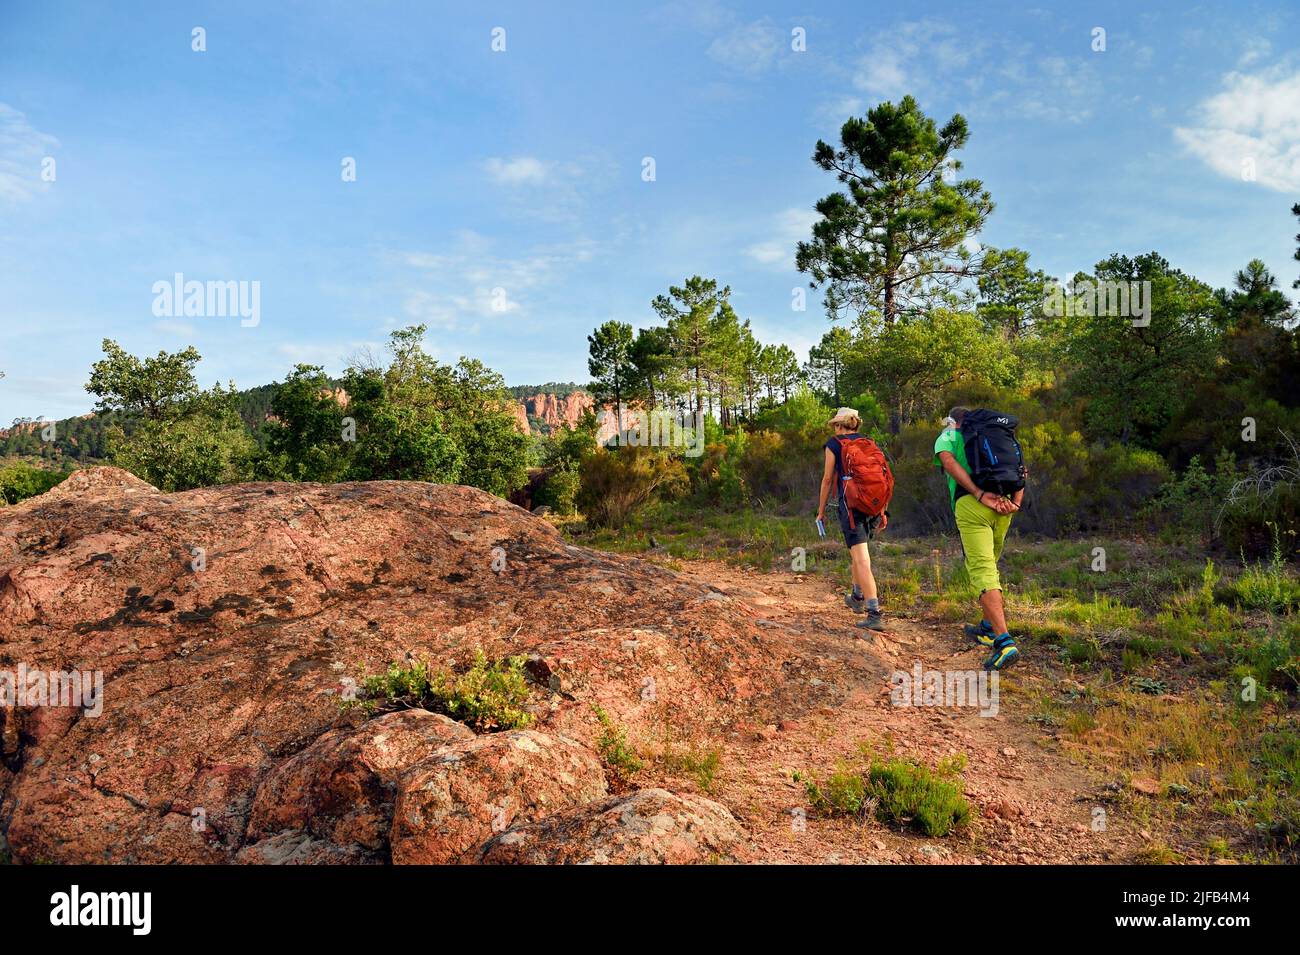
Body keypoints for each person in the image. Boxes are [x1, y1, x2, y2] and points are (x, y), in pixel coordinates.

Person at [933, 407, 1022, 670]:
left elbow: (947, 461)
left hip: (974, 506)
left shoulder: (950, 434)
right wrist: (1016, 502)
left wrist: (977, 493)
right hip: (1004, 505)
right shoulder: (997, 434)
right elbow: (1020, 469)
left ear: (953, 421)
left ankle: (1004, 642)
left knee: (982, 570)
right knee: (990, 566)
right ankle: (986, 627)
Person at [816, 407, 886, 632]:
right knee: (858, 553)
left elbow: (827, 479)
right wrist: (882, 509)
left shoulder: (834, 444)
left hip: (852, 506)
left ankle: (874, 612)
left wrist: (821, 510)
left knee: (862, 558)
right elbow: (881, 475)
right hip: (872, 505)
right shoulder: (868, 441)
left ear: (838, 425)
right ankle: (856, 596)